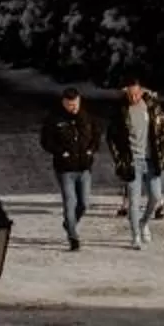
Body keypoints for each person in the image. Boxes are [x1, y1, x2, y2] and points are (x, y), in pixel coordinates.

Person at [108, 78, 164, 249]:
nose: (133, 98)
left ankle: (143, 223)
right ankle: (135, 235)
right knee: (134, 200)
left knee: (155, 196)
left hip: (151, 159)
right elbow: (111, 136)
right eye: (130, 95)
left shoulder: (152, 107)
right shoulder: (121, 110)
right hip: (132, 160)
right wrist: (119, 158)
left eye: (136, 94)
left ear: (141, 92)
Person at [38, 88, 100, 249]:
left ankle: (70, 222)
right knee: (70, 201)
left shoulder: (87, 117)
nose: (73, 108)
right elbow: (46, 141)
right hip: (65, 169)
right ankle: (73, 236)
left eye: (75, 104)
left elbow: (96, 135)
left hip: (84, 167)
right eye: (69, 105)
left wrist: (91, 150)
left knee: (84, 203)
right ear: (63, 103)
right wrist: (60, 152)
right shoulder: (54, 119)